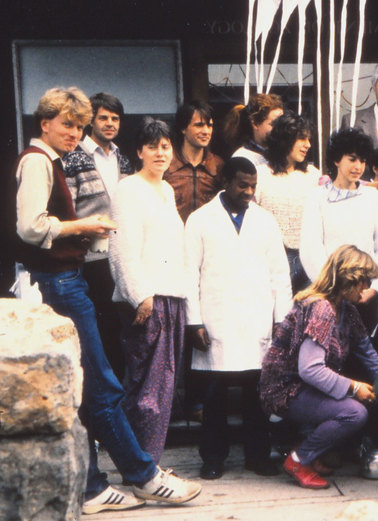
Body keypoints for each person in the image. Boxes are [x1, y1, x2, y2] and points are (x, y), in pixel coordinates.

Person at [15, 87, 200, 514]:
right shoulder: (38, 161)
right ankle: (143, 475)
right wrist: (85, 225)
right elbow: (30, 227)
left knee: (92, 386)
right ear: (45, 123)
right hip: (59, 281)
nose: (74, 133)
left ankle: (96, 486)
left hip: (68, 278)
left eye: (79, 126)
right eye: (67, 124)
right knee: (102, 386)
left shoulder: (52, 161)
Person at [184, 157, 293, 480]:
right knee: (214, 394)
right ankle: (213, 457)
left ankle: (257, 456)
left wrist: (281, 318)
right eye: (242, 185)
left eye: (253, 186)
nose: (248, 191)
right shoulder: (200, 220)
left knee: (256, 395)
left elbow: (280, 275)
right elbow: (189, 273)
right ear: (226, 182)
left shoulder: (265, 221)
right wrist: (194, 321)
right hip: (216, 318)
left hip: (257, 318)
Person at [259, 245, 378, 489]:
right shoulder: (320, 308)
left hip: (304, 387)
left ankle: (313, 454)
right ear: (348, 280)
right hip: (284, 390)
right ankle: (298, 460)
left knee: (358, 404)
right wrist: (354, 387)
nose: (367, 288)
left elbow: (368, 353)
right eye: (363, 281)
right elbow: (310, 369)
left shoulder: (347, 310)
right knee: (355, 412)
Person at [109, 119, 187, 465]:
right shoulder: (128, 189)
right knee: (145, 391)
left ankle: (147, 463)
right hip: (146, 300)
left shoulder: (166, 190)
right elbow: (122, 247)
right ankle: (137, 465)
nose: (160, 153)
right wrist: (140, 294)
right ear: (139, 151)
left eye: (166, 146)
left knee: (163, 388)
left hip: (171, 297)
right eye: (152, 146)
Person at [62, 92, 133, 381]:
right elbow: (68, 208)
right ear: (91, 120)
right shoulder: (74, 157)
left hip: (122, 254)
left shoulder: (123, 159)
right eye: (103, 117)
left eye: (115, 118)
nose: (109, 123)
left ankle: (118, 394)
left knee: (121, 328)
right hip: (91, 258)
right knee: (100, 330)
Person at [299, 127, 378, 309]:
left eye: (362, 161)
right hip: (329, 293)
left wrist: (376, 287)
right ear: (336, 160)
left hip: (365, 291)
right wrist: (330, 288)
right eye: (352, 159)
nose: (358, 167)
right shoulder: (317, 197)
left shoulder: (371, 196)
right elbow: (311, 247)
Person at [257, 112, 323, 292]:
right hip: (273, 260)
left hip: (308, 262)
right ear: (285, 139)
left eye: (309, 139)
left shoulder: (313, 174)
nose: (308, 145)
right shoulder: (261, 175)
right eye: (302, 138)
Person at [163, 100, 225, 222]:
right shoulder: (166, 162)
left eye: (210, 125)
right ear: (183, 129)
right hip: (173, 236)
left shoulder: (218, 165)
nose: (206, 131)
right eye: (199, 125)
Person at [226, 93, 284, 171]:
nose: (280, 128)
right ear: (256, 124)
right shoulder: (243, 158)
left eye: (282, 123)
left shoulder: (283, 155)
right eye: (274, 123)